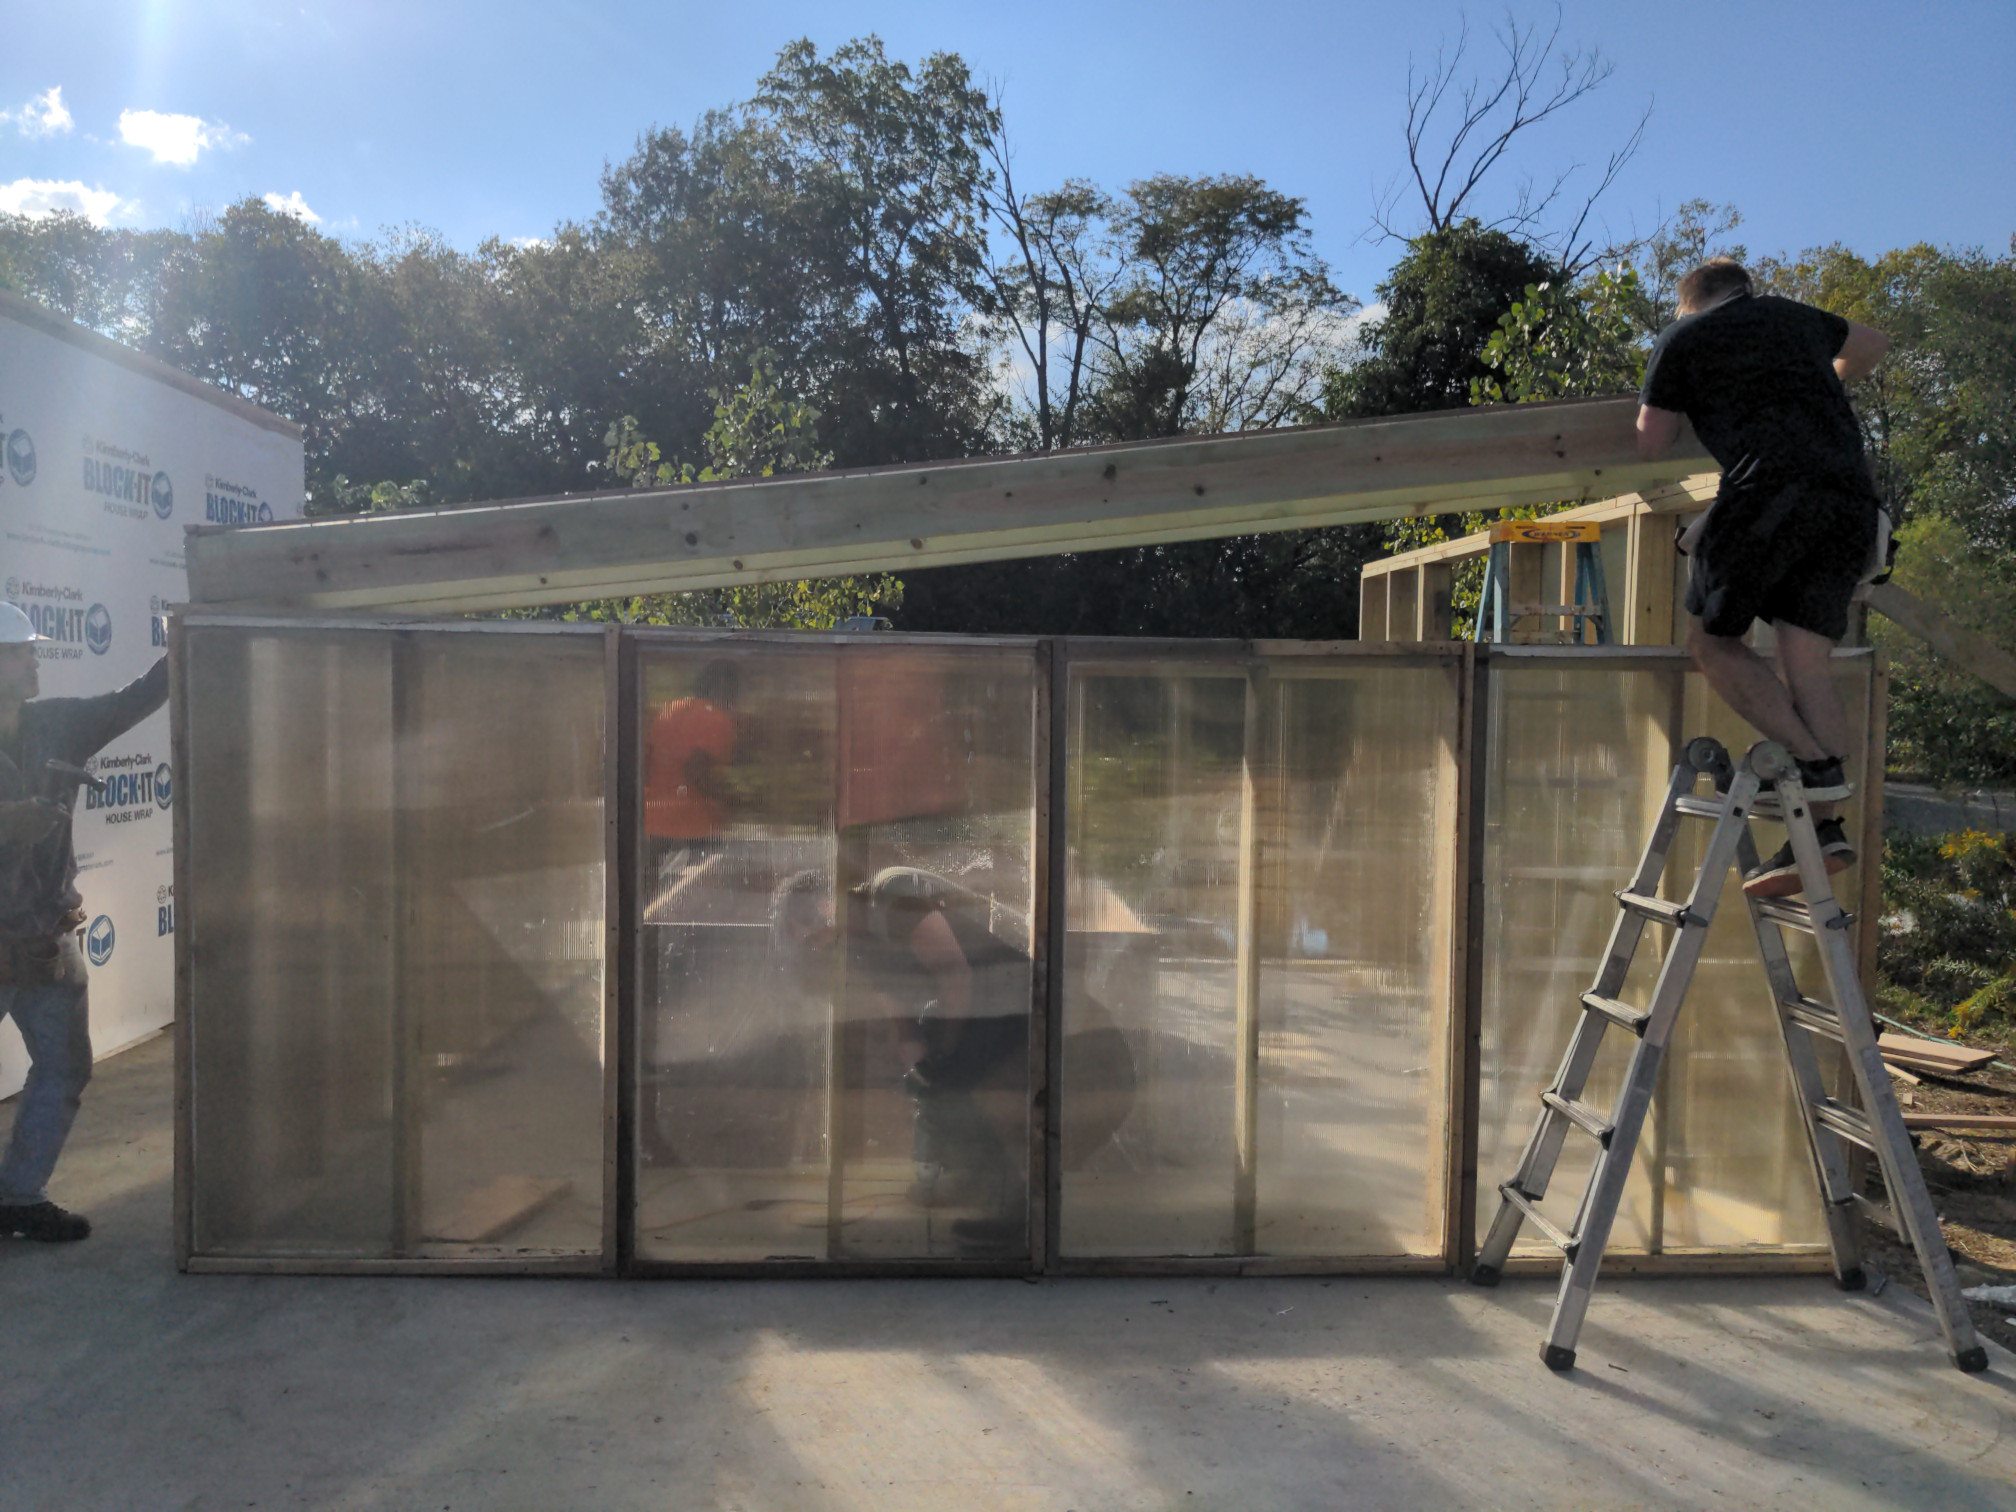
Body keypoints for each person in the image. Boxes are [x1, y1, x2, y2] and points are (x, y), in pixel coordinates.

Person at [1635, 258, 1892, 898]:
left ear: (1689, 300)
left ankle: (1810, 763)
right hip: (1849, 503)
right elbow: (1871, 345)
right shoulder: (1790, 316)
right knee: (1805, 658)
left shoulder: (1683, 336)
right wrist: (1816, 383)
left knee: (1713, 642)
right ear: (1744, 290)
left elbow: (1651, 440)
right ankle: (1826, 832)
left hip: (1767, 495)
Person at [0, 601, 167, 1241]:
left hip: (47, 942)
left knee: (66, 1069)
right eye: (19, 652)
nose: (34, 660)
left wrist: (181, 642)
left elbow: (134, 700)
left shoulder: (60, 726)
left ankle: (18, 1197)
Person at [772, 865, 1033, 1252]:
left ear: (828, 903)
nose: (818, 947)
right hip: (967, 1008)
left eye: (813, 935)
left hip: (1007, 995)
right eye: (811, 945)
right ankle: (970, 1179)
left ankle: (1012, 1216)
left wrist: (944, 1052)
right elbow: (896, 1007)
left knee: (958, 1091)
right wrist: (916, 1057)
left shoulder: (891, 895)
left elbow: (954, 973)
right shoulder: (854, 943)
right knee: (930, 1087)